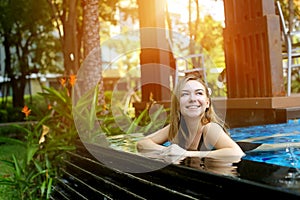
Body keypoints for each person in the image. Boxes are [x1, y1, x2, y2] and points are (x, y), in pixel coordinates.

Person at [136, 74, 245, 162]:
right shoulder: (176, 128)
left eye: (199, 93)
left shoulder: (210, 128)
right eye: (185, 94)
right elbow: (142, 143)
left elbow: (237, 152)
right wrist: (168, 150)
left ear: (207, 103)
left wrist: (186, 154)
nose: (192, 99)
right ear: (178, 104)